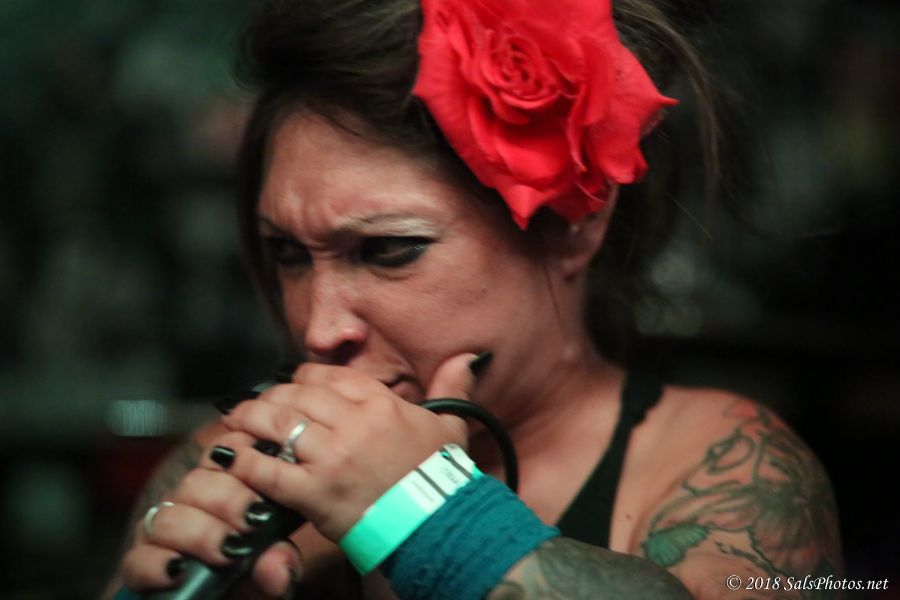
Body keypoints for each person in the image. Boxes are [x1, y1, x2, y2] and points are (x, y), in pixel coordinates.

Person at [107, 0, 842, 598]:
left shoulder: (725, 463)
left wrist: (430, 522)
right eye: (289, 254)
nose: (320, 329)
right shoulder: (235, 465)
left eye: (389, 250)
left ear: (574, 225)